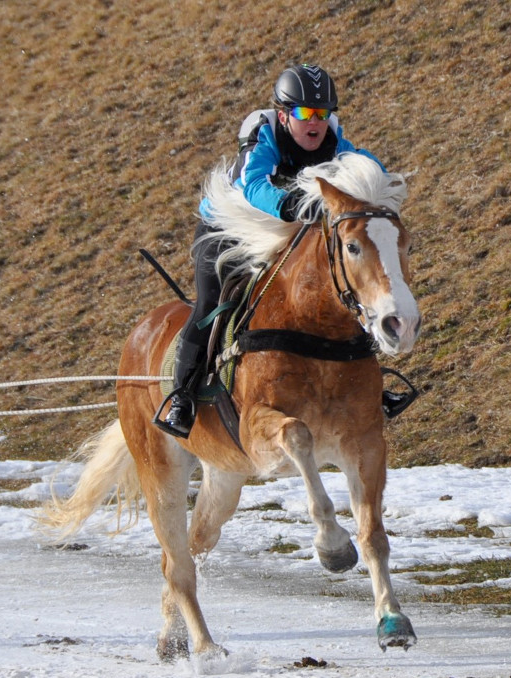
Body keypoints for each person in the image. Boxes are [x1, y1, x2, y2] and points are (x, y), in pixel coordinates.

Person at [155, 64, 385, 438]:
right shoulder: (262, 133)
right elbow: (254, 183)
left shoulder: (333, 138)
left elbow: (365, 161)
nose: (315, 122)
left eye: (323, 113)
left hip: (279, 232)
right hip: (227, 229)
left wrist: (377, 179)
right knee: (211, 302)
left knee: (337, 287)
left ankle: (372, 381)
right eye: (305, 113)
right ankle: (182, 396)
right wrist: (293, 206)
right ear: (283, 115)